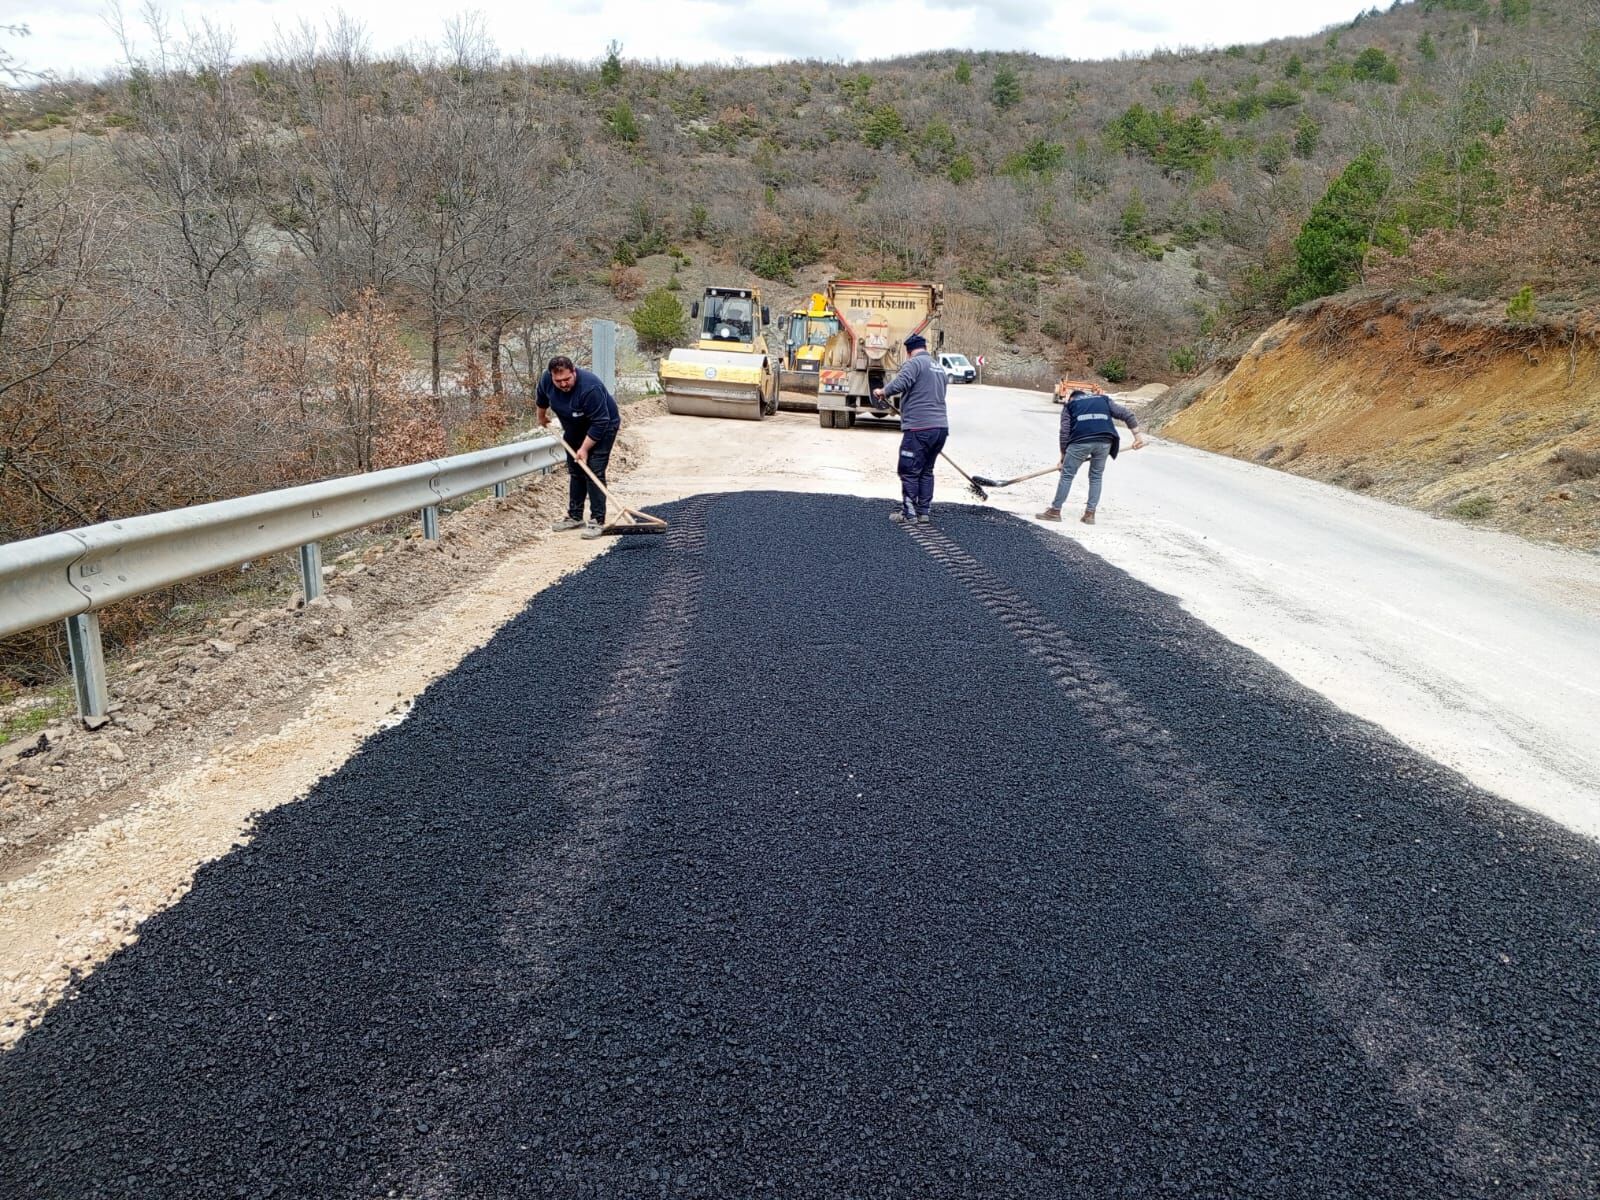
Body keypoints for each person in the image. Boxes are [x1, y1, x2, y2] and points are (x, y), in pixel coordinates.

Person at [536, 355, 622, 539]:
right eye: (558, 381)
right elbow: (542, 398)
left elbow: (600, 422)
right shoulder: (546, 380)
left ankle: (597, 520)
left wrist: (584, 449)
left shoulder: (590, 388)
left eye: (567, 379)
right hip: (574, 428)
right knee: (576, 471)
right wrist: (541, 417)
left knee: (594, 471)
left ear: (574, 372)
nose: (563, 384)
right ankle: (575, 516)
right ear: (551, 376)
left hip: (603, 428)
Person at [1037, 387, 1146, 525]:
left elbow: (1064, 432)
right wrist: (1138, 437)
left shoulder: (1070, 405)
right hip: (1105, 441)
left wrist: (1064, 458)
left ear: (1072, 398)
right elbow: (1126, 414)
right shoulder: (1103, 400)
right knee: (1096, 476)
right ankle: (1090, 515)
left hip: (1080, 441)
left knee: (1067, 475)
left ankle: (1055, 511)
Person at [874, 332, 950, 525]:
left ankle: (909, 513)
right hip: (940, 428)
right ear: (925, 348)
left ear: (909, 352)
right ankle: (924, 512)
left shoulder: (914, 363)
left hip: (919, 427)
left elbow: (902, 382)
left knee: (909, 469)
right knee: (926, 470)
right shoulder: (938, 367)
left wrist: (883, 391)